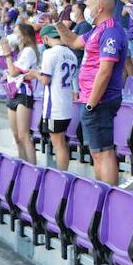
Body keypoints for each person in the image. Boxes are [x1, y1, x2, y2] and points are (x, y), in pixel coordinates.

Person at [57, 0, 129, 185]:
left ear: (99, 8)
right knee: (97, 152)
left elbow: (105, 71)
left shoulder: (111, 31)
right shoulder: (97, 29)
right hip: (91, 99)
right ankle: (103, 192)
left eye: (88, 5)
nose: (85, 9)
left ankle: (109, 197)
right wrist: (57, 24)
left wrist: (91, 103)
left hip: (99, 100)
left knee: (104, 152)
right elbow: (73, 41)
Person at [37, 24, 78, 170]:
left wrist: (35, 74)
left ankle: (62, 176)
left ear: (46, 38)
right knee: (61, 143)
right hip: (65, 103)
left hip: (55, 106)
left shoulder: (50, 53)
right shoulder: (71, 53)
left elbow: (45, 80)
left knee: (59, 144)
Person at [5, 22, 39, 164]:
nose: (13, 35)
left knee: (24, 135)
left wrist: (6, 52)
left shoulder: (29, 51)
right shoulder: (20, 52)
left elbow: (13, 72)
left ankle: (33, 169)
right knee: (16, 136)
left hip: (24, 95)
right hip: (13, 94)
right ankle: (22, 166)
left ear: (24, 35)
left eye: (16, 31)